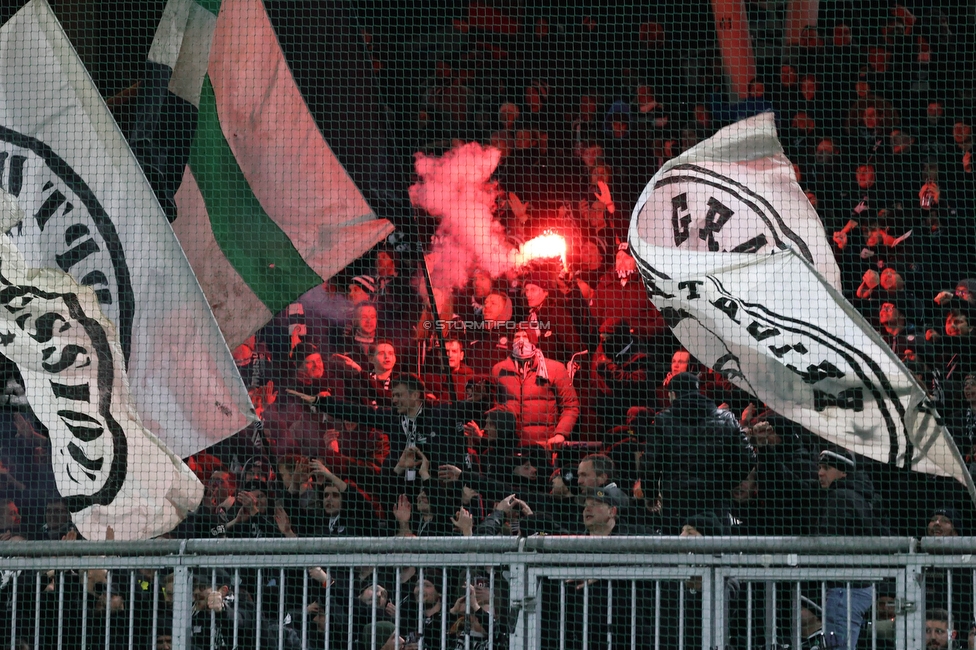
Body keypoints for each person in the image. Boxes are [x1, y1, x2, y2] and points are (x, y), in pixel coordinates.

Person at [643, 372, 756, 534]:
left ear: (672, 394)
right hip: (714, 498)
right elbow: (748, 457)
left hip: (677, 500)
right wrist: (724, 483)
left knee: (678, 551)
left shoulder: (662, 420)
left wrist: (651, 493)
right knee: (716, 550)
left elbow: (650, 463)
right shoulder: (725, 418)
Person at [816, 449, 888, 649]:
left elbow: (825, 542)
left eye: (827, 468)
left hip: (845, 588)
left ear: (843, 473)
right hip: (859, 587)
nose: (820, 473)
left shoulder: (840, 497)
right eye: (820, 467)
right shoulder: (861, 496)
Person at [492, 326, 579, 447]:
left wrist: (560, 434)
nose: (521, 341)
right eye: (517, 337)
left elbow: (570, 406)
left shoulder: (554, 369)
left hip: (543, 447)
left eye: (525, 337)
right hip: (510, 448)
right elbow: (495, 407)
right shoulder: (499, 370)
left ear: (533, 340)